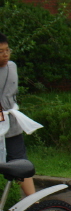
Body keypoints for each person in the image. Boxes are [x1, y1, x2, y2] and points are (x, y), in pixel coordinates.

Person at [0, 32, 42, 196]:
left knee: (19, 160)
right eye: (0, 51)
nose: (5, 55)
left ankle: (33, 201)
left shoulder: (12, 66)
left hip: (11, 120)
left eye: (7, 50)